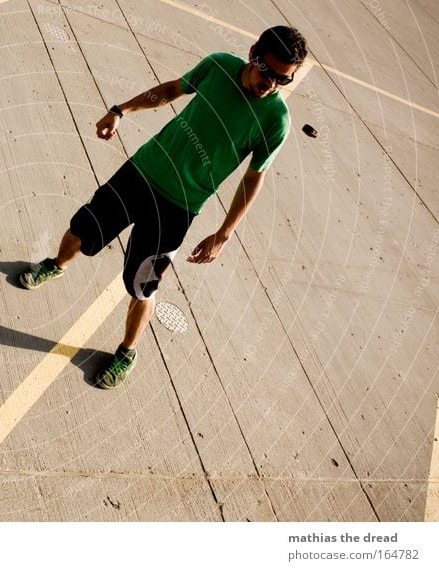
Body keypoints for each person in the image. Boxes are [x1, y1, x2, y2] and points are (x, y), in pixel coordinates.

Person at [19, 26, 309, 389]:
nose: (271, 85)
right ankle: (57, 265)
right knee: (84, 227)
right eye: (267, 71)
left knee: (143, 285)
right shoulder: (219, 66)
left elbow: (254, 178)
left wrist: (224, 233)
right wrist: (121, 110)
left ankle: (127, 352)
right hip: (143, 170)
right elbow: (172, 90)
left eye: (283, 79)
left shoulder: (276, 121)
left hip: (179, 206)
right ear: (253, 53)